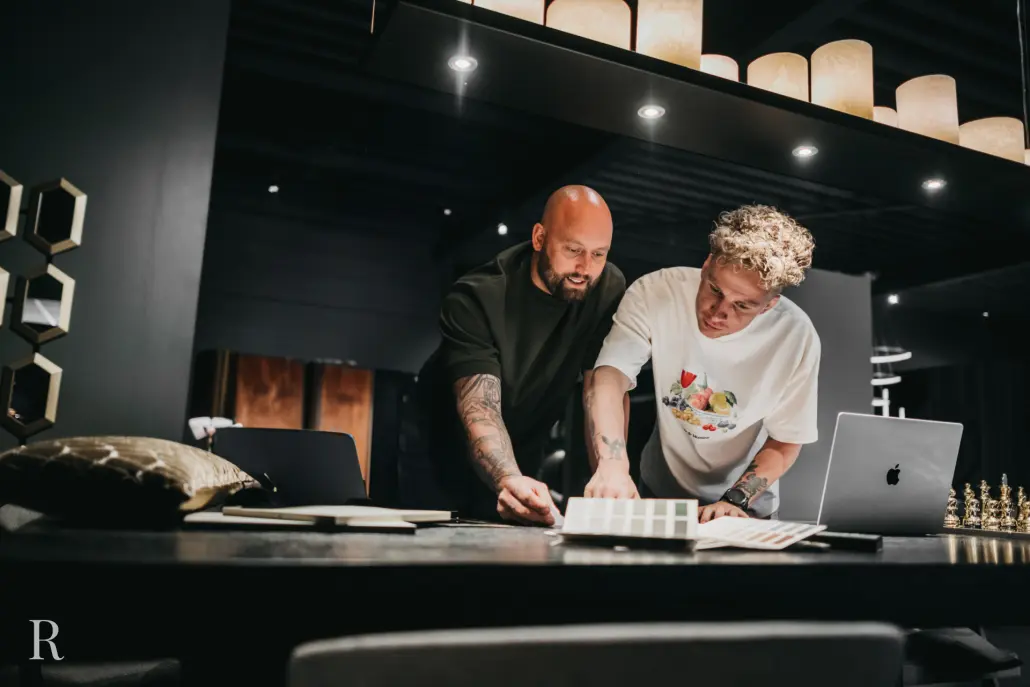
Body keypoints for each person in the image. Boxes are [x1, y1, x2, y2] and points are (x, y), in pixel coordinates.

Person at [583, 204, 819, 522]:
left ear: (768, 306)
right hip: (660, 491)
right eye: (714, 289)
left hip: (745, 503)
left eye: (742, 305)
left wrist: (736, 500)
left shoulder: (796, 336)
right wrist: (611, 465)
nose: (718, 312)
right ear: (707, 264)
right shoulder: (656, 292)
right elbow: (609, 377)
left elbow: (786, 439)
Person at [412, 185, 626, 525]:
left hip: (524, 444)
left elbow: (599, 386)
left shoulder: (606, 289)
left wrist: (609, 471)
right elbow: (479, 408)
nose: (585, 268)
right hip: (439, 446)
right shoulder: (478, 297)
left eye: (599, 254)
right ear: (539, 237)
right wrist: (508, 478)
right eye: (573, 250)